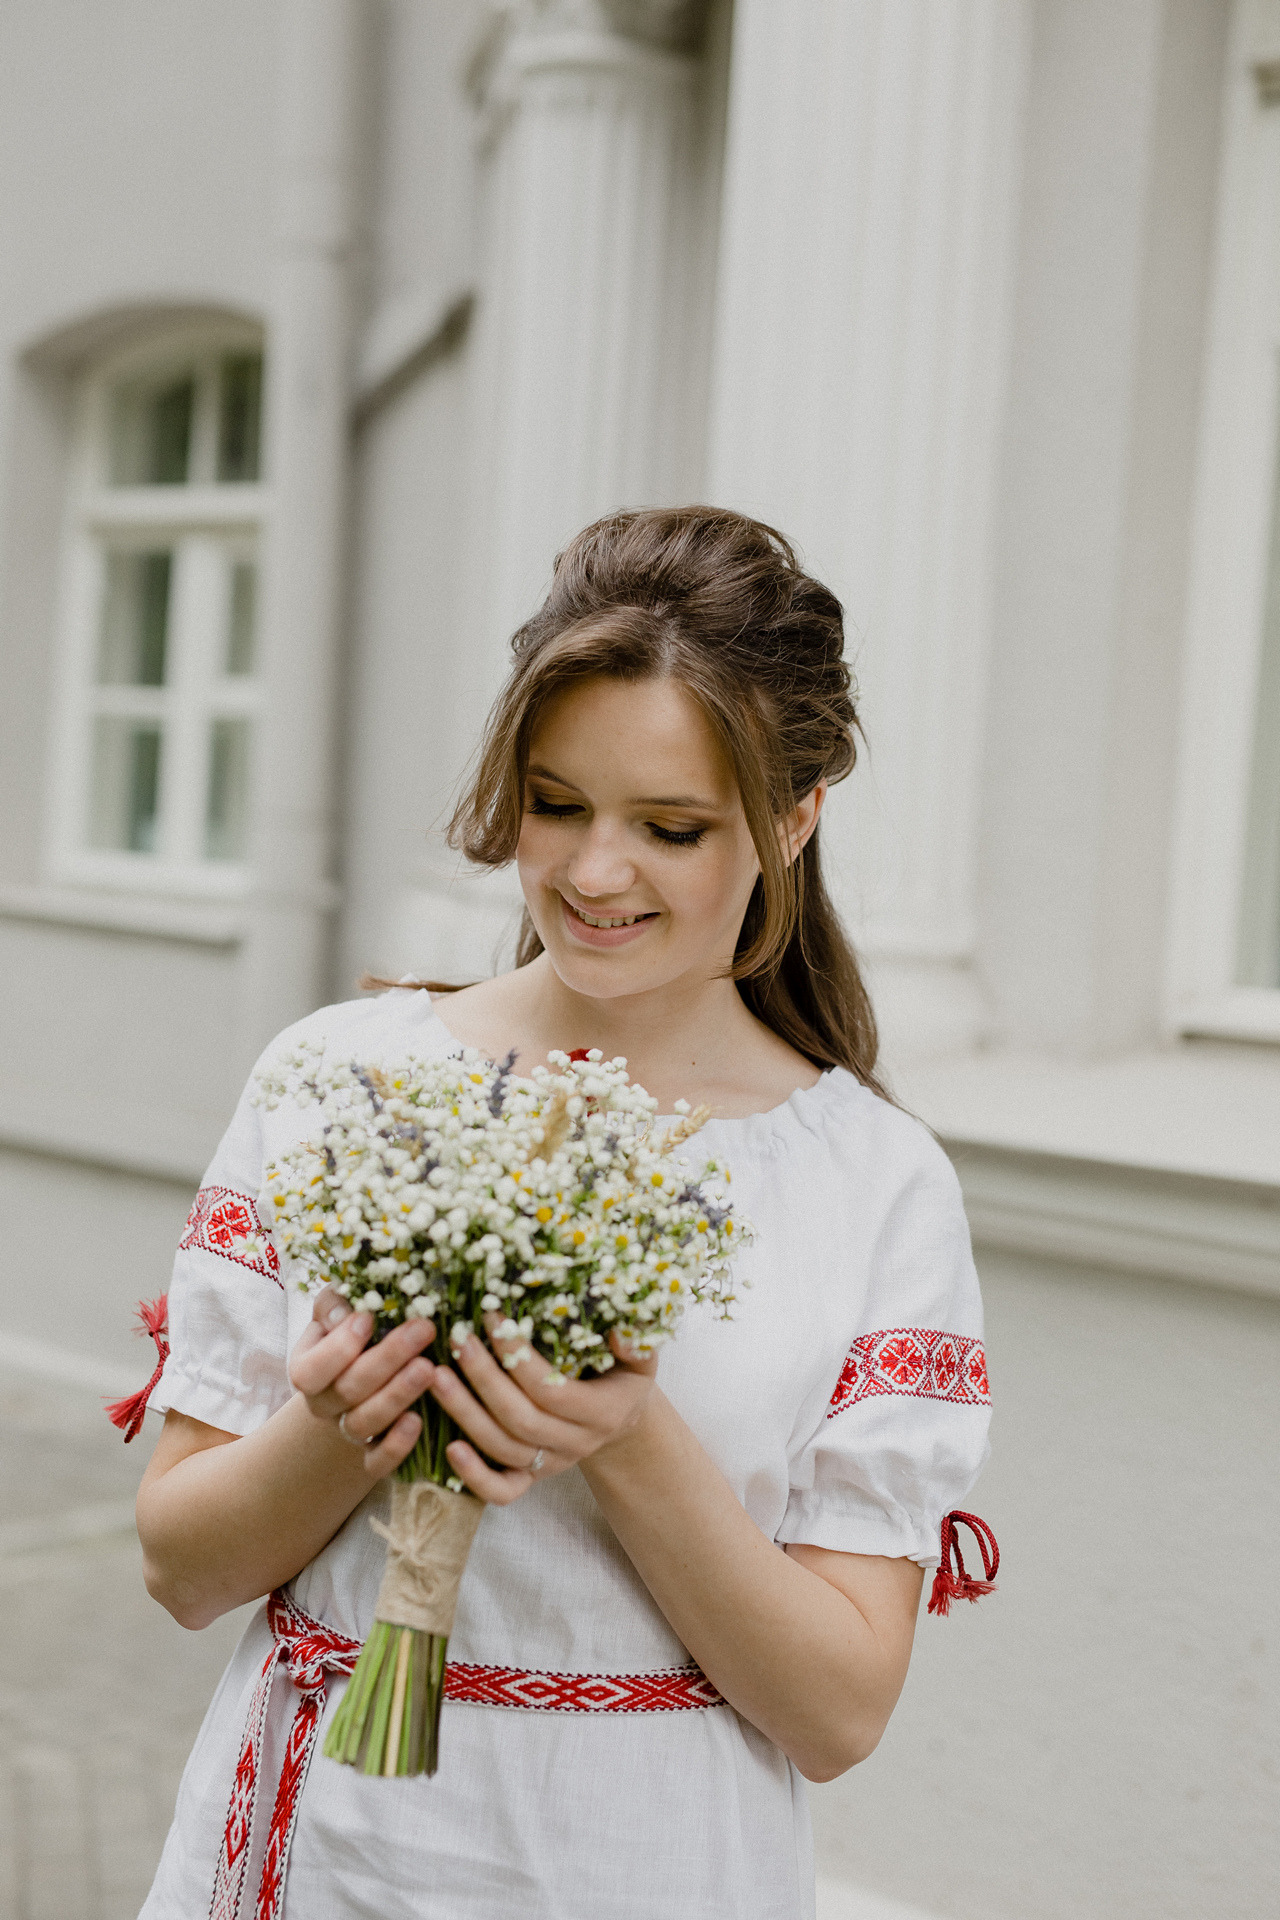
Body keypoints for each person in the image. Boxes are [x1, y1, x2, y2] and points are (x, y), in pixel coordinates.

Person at [132, 507, 994, 1920]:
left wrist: (628, 1438)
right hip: (322, 1853)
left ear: (793, 819)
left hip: (644, 1866)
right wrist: (350, 1420)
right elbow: (178, 1567)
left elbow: (839, 1714)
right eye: (555, 804)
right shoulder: (343, 1077)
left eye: (671, 827)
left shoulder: (875, 1184)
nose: (595, 875)